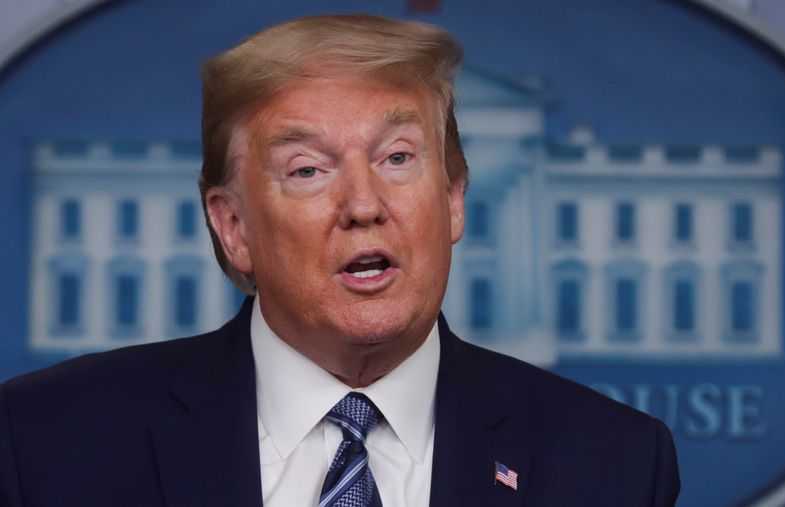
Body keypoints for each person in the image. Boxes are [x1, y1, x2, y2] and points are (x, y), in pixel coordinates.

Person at [0, 14, 680, 507]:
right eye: (307, 169)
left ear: (452, 203)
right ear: (233, 227)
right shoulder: (44, 442)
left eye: (397, 158)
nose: (364, 203)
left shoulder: (615, 464)